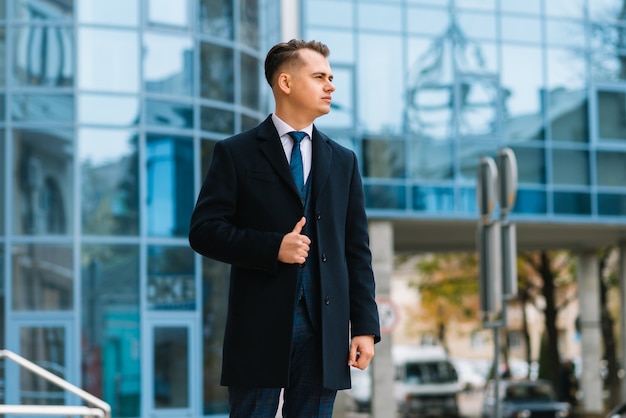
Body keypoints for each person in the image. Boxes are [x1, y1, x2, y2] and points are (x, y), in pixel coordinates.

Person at [189, 39, 381, 417]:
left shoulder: (343, 161)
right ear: (285, 82)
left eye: (331, 77)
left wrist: (364, 327)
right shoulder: (236, 152)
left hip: (325, 329)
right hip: (259, 327)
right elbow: (204, 230)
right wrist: (272, 247)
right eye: (319, 77)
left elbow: (356, 250)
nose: (331, 86)